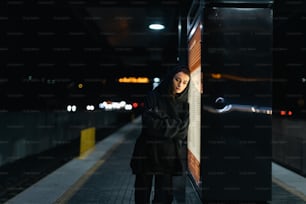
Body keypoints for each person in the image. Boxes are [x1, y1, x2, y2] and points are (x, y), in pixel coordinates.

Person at [130, 65, 191, 204]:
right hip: (146, 153)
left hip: (167, 157)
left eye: (184, 82)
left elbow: (183, 132)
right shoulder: (153, 96)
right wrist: (174, 124)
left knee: (163, 198)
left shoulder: (185, 104)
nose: (180, 85)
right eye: (177, 79)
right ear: (171, 78)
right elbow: (149, 125)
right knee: (141, 196)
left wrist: (161, 121)